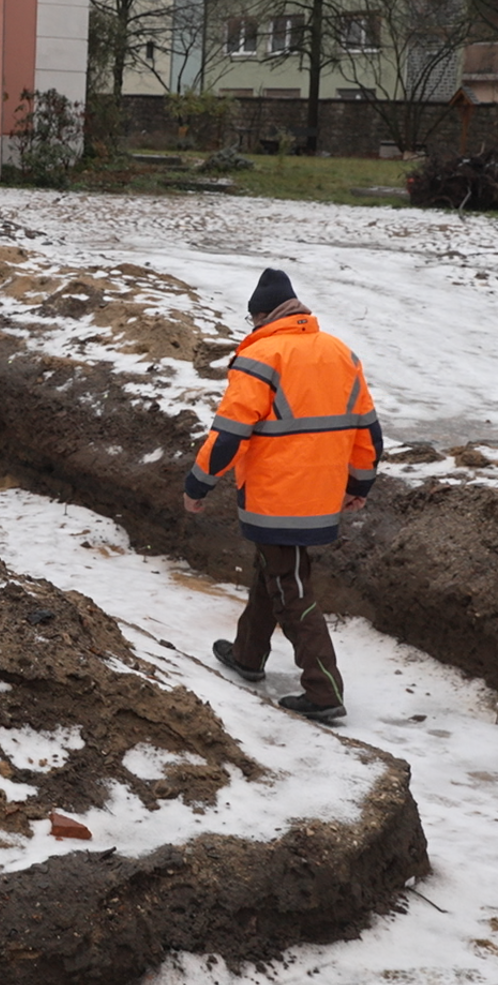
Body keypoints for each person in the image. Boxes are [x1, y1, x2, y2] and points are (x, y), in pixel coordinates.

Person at [183, 267, 382, 725]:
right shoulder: (339, 352)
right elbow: (368, 430)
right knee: (273, 569)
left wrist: (198, 485)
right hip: (321, 493)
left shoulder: (262, 356)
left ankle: (323, 688)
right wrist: (358, 484)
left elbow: (229, 435)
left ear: (259, 315)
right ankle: (247, 655)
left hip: (277, 496)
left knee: (290, 586)